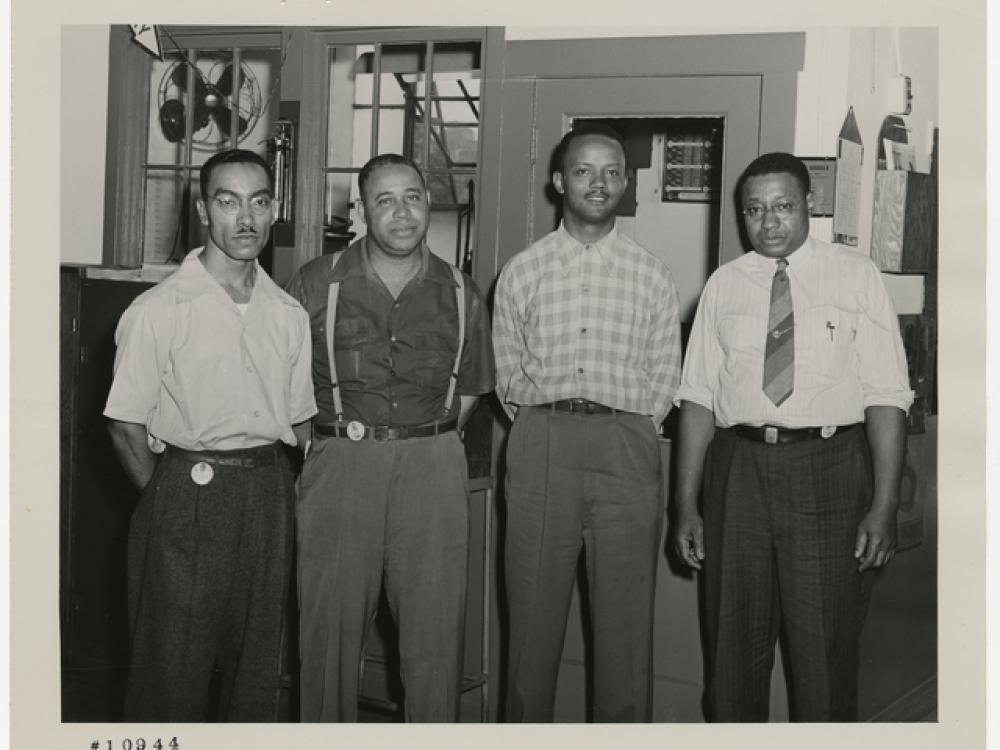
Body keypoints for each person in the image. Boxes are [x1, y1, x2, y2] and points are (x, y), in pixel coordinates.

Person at [671, 152, 913, 721]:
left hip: (827, 470)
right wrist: (684, 504)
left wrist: (884, 505)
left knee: (824, 657)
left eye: (783, 206)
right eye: (755, 209)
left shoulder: (856, 276)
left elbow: (887, 397)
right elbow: (698, 398)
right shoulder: (724, 286)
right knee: (731, 656)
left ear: (809, 205)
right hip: (738, 471)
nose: (769, 221)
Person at [104, 149, 317, 721]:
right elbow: (125, 424)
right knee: (170, 671)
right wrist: (169, 497)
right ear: (204, 210)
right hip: (186, 491)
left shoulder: (288, 313)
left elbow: (300, 424)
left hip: (268, 495)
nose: (245, 218)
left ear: (274, 211)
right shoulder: (159, 310)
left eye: (259, 201)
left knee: (255, 673)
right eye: (228, 202)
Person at [284, 153, 495, 722]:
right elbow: (284, 384)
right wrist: (321, 446)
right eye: (385, 200)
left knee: (434, 641)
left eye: (413, 197)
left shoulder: (459, 290)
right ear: (360, 210)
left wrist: (426, 438)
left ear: (428, 203)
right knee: (327, 637)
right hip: (340, 466)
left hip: (432, 467)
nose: (403, 213)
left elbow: (471, 389)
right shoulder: (315, 282)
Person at [492, 123, 682, 722]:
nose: (597, 183)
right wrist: (549, 425)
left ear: (625, 183)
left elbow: (663, 377)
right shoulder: (523, 271)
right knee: (531, 626)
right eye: (582, 171)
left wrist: (621, 427)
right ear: (558, 182)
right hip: (542, 440)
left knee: (625, 629)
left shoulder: (651, 274)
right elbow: (507, 376)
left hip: (626, 444)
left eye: (610, 172)